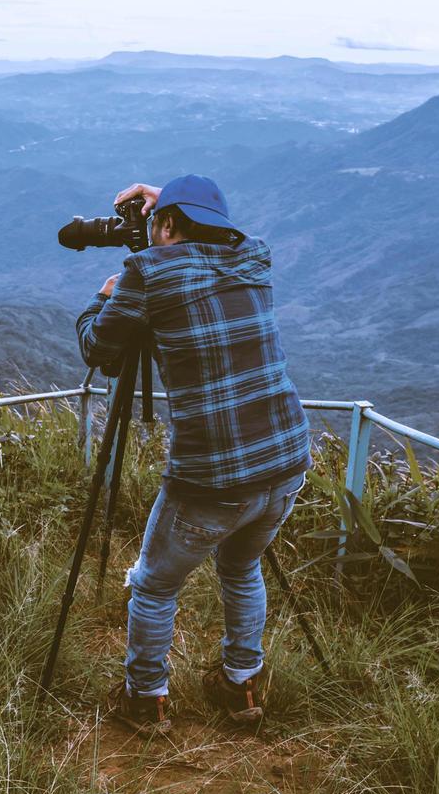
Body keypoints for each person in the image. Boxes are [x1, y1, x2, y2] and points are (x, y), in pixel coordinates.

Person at [75, 173, 312, 736]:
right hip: (286, 460)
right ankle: (240, 686)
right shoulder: (255, 260)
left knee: (155, 584)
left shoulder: (143, 275)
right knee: (241, 565)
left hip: (213, 476)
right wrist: (175, 207)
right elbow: (231, 239)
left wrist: (102, 298)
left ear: (168, 227)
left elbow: (99, 350)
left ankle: (146, 700)